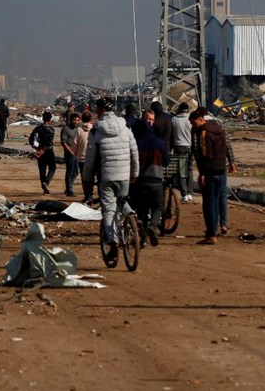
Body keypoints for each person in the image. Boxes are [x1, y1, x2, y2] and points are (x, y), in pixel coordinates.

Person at [82, 98, 138, 266]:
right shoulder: (126, 129)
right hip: (124, 176)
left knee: (108, 210)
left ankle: (112, 243)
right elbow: (134, 153)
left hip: (106, 177)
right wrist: (134, 174)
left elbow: (90, 161)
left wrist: (87, 180)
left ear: (100, 110)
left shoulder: (96, 132)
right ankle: (131, 215)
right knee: (122, 200)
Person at [190, 107, 236, 245]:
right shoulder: (219, 128)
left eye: (194, 123)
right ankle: (223, 224)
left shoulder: (204, 133)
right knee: (220, 197)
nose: (193, 127)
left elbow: (204, 154)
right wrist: (231, 161)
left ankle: (211, 234)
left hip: (210, 172)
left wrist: (202, 173)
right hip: (221, 169)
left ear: (201, 119)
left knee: (209, 204)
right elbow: (227, 145)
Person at [131, 110, 170, 247]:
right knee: (158, 207)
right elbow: (166, 161)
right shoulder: (159, 143)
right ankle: (153, 227)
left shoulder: (136, 143)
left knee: (142, 210)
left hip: (140, 181)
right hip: (156, 180)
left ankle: (143, 240)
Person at [30, 111, 58, 194]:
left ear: (42, 119)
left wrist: (37, 149)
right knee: (52, 168)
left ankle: (43, 185)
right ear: (50, 120)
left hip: (39, 151)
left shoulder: (37, 128)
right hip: (48, 151)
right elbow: (49, 142)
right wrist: (43, 150)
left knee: (42, 170)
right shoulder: (51, 129)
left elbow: (31, 139)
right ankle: (46, 182)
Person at [169, 102, 193, 195]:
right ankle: (190, 192)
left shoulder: (174, 119)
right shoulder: (190, 119)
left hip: (179, 147)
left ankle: (184, 192)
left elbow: (171, 133)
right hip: (189, 147)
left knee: (181, 170)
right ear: (187, 110)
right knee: (189, 169)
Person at [60, 112, 82, 196]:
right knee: (69, 171)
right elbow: (63, 142)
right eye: (74, 120)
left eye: (77, 120)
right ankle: (69, 189)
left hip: (77, 153)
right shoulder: (66, 129)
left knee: (76, 171)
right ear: (71, 120)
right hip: (69, 153)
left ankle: (69, 187)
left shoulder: (79, 129)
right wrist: (71, 151)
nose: (76, 122)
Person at [77, 110, 95, 202]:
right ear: (91, 119)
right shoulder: (94, 129)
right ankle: (91, 195)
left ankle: (87, 196)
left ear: (82, 119)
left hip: (82, 158)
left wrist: (76, 154)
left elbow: (75, 143)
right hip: (92, 157)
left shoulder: (79, 130)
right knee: (91, 178)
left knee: (84, 178)